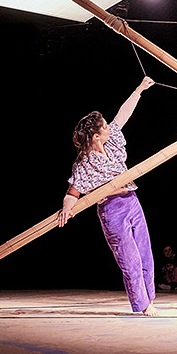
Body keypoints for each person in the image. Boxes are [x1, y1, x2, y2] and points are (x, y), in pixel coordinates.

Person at [59, 76, 159, 316]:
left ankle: (150, 300)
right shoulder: (84, 163)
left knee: (146, 254)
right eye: (103, 126)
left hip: (131, 200)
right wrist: (67, 207)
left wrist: (139, 89)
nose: (108, 127)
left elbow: (122, 115)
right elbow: (73, 192)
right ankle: (143, 305)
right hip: (111, 210)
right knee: (130, 260)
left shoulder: (112, 139)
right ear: (95, 136)